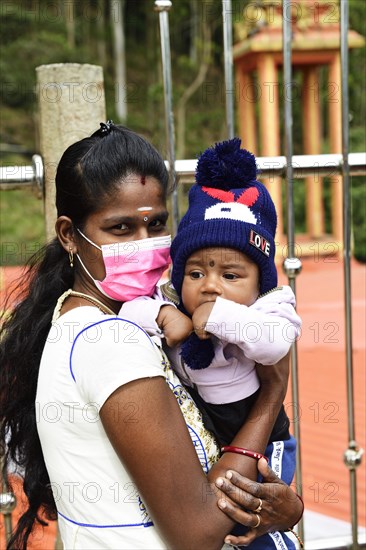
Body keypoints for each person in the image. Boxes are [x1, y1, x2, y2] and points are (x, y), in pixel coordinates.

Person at [0, 123, 303, 550]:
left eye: (156, 223)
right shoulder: (110, 342)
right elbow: (196, 531)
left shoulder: (113, 319)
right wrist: (272, 396)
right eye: (121, 229)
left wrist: (284, 509)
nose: (144, 243)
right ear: (70, 235)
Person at [120, 138, 302, 548]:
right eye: (197, 274)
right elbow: (128, 313)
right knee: (216, 511)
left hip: (264, 437)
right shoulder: (170, 301)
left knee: (248, 512)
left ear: (260, 282)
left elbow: (275, 345)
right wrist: (164, 316)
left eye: (231, 276)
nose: (211, 286)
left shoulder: (271, 305)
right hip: (204, 432)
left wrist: (218, 317)